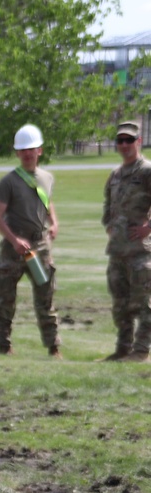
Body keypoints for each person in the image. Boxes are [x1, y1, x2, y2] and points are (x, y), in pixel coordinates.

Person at [0, 123, 61, 358]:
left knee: (46, 298)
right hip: (14, 248)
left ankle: (54, 347)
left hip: (40, 246)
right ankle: (4, 346)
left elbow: (47, 201)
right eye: (23, 150)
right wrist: (13, 240)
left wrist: (54, 222)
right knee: (5, 299)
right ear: (17, 153)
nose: (27, 153)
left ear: (39, 150)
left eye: (31, 149)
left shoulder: (47, 177)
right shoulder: (8, 182)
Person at [102, 119, 151, 362]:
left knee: (143, 303)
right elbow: (107, 206)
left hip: (139, 252)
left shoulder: (146, 171)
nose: (124, 144)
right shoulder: (115, 175)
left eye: (129, 140)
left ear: (138, 141)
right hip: (117, 251)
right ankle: (123, 349)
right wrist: (109, 225)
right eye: (120, 140)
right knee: (120, 303)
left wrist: (149, 227)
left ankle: (141, 351)